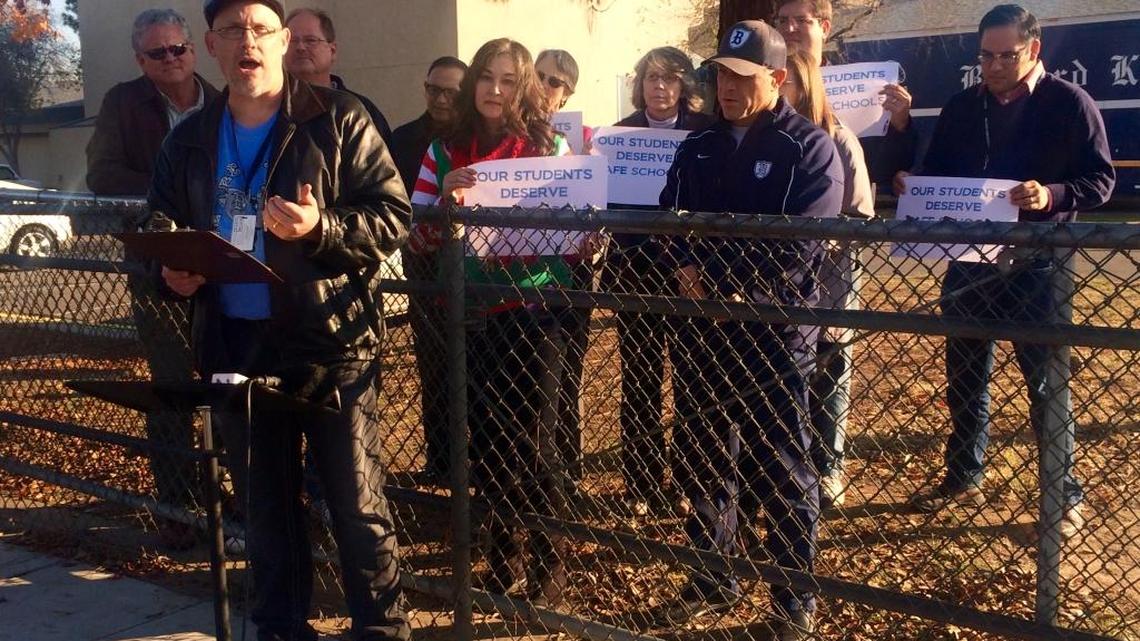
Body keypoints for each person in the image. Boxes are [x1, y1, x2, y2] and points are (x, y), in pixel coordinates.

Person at [147, 1, 412, 639]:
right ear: (210, 44)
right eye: (233, 30)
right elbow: (158, 224)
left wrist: (323, 227)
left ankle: (382, 631)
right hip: (234, 348)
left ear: (285, 40)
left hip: (329, 347)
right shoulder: (187, 137)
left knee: (357, 508)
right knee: (264, 511)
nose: (249, 42)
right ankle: (278, 627)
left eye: (262, 29)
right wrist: (168, 272)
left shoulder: (339, 119)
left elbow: (394, 216)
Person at [659, 21, 843, 640]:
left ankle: (794, 597)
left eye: (743, 77)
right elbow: (672, 213)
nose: (728, 88)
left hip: (772, 332)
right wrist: (686, 263)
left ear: (778, 78)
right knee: (705, 457)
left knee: (780, 461)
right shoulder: (700, 142)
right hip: (704, 332)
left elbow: (799, 241)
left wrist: (713, 274)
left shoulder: (807, 147)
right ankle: (712, 577)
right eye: (720, 75)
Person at [901, 5, 1114, 538]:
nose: (995, 66)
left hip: (1038, 262)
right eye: (986, 56)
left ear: (1033, 50)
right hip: (969, 260)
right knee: (965, 372)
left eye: (1007, 55)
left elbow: (1100, 180)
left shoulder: (1070, 103)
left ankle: (1062, 491)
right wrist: (915, 188)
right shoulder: (961, 108)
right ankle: (964, 470)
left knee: (1045, 381)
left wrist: (1053, 194)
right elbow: (938, 175)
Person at [408, 38, 574, 609]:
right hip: (467, 313)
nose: (495, 90)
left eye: (509, 79)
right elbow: (417, 234)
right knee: (488, 442)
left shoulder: (549, 147)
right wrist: (440, 206)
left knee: (537, 443)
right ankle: (504, 561)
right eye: (487, 77)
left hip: (534, 314)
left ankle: (550, 561)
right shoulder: (444, 150)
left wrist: (588, 236)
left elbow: (573, 232)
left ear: (525, 86)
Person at [86, 7, 220, 551]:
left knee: (229, 381)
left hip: (221, 262)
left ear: (194, 48)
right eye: (158, 53)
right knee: (171, 385)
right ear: (141, 60)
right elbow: (102, 175)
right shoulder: (123, 103)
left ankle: (231, 495)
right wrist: (169, 196)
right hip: (155, 266)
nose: (172, 59)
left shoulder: (221, 98)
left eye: (178, 49)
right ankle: (177, 504)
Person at [607, 46, 714, 517]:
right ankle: (642, 481)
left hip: (689, 273)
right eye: (651, 77)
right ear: (640, 83)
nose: (660, 87)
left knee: (692, 380)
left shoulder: (705, 131)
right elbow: (606, 202)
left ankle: (691, 478)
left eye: (670, 79)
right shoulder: (620, 134)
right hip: (635, 269)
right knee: (641, 378)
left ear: (684, 85)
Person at [779, 48, 875, 508]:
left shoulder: (839, 139)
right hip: (784, 284)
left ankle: (829, 465)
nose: (781, 91)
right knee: (791, 377)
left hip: (833, 279)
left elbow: (860, 218)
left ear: (808, 86)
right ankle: (793, 461)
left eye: (789, 84)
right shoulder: (770, 140)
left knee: (830, 375)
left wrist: (813, 240)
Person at [389, 55, 467, 484]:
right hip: (422, 263)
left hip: (473, 267)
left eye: (451, 91)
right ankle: (442, 459)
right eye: (433, 89)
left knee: (473, 367)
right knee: (433, 362)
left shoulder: (473, 136)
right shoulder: (403, 139)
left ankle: (476, 458)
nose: (440, 98)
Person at [774, 0, 915, 188]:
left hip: (843, 202)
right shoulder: (764, 84)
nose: (790, 28)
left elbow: (883, 169)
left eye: (801, 20)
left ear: (824, 28)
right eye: (783, 21)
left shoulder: (863, 88)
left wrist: (900, 124)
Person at [535, 48, 590, 498]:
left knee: (565, 370)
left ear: (567, 93)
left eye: (554, 82)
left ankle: (566, 463)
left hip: (569, 272)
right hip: (517, 273)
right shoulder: (512, 135)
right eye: (538, 76)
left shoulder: (585, 137)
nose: (544, 86)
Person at [284, 6, 393, 143]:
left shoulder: (358, 110)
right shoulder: (268, 109)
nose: (300, 47)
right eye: (292, 41)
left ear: (333, 51)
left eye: (310, 40)